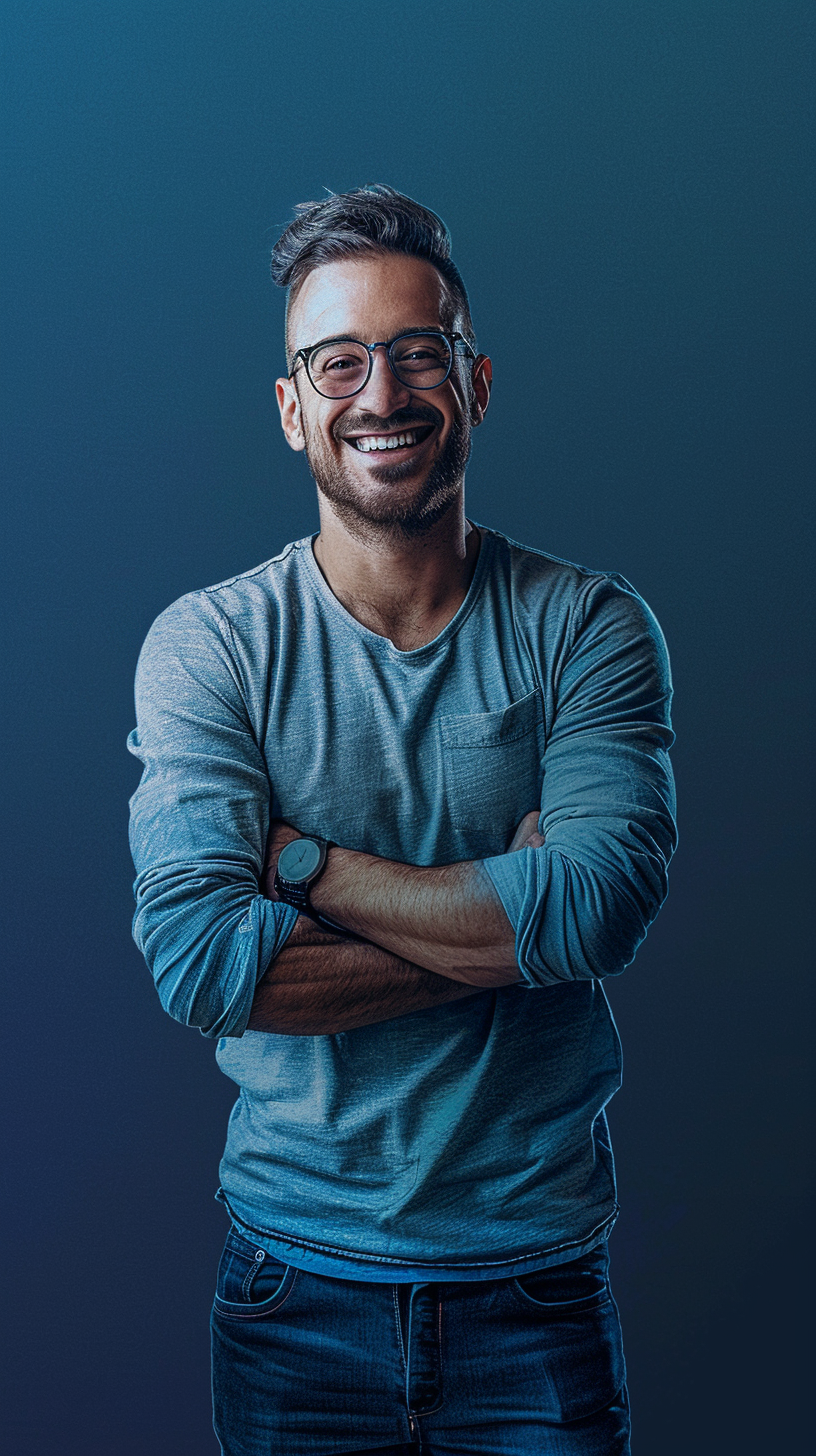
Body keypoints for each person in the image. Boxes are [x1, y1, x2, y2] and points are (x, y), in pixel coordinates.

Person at [128, 184, 677, 1455]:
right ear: (291, 408)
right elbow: (204, 962)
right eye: (339, 362)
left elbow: (598, 906)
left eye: (418, 352)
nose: (382, 393)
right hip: (291, 1288)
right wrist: (510, 928)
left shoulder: (588, 628)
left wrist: (306, 868)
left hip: (536, 1287)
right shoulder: (210, 648)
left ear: (475, 383)